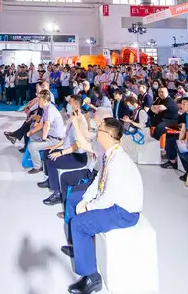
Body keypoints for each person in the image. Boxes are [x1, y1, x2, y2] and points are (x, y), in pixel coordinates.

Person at [61, 118, 142, 294]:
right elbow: (99, 181)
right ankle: (77, 246)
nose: (97, 132)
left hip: (123, 212)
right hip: (114, 203)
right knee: (74, 199)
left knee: (79, 224)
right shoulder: (110, 153)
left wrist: (88, 207)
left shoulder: (118, 161)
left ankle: (92, 278)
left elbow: (108, 198)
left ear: (109, 135)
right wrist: (85, 199)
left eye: (100, 129)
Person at [40, 95, 91, 205]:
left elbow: (77, 145)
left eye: (70, 102)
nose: (68, 103)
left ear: (76, 105)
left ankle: (58, 194)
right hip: (70, 152)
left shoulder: (80, 121)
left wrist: (60, 153)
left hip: (78, 158)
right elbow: (66, 137)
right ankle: (50, 180)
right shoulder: (73, 118)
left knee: (52, 161)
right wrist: (54, 148)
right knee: (47, 152)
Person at [26, 90, 66, 174]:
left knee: (31, 146)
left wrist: (44, 138)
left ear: (44, 101)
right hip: (50, 136)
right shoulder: (46, 108)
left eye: (39, 100)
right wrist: (31, 132)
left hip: (55, 140)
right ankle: (38, 156)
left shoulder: (50, 110)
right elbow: (41, 125)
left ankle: (38, 167)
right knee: (33, 136)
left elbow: (47, 125)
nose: (38, 101)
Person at [161, 96, 188, 170]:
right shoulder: (186, 114)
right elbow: (179, 123)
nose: (181, 106)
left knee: (176, 144)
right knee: (176, 143)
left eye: (184, 104)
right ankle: (186, 169)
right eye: (181, 104)